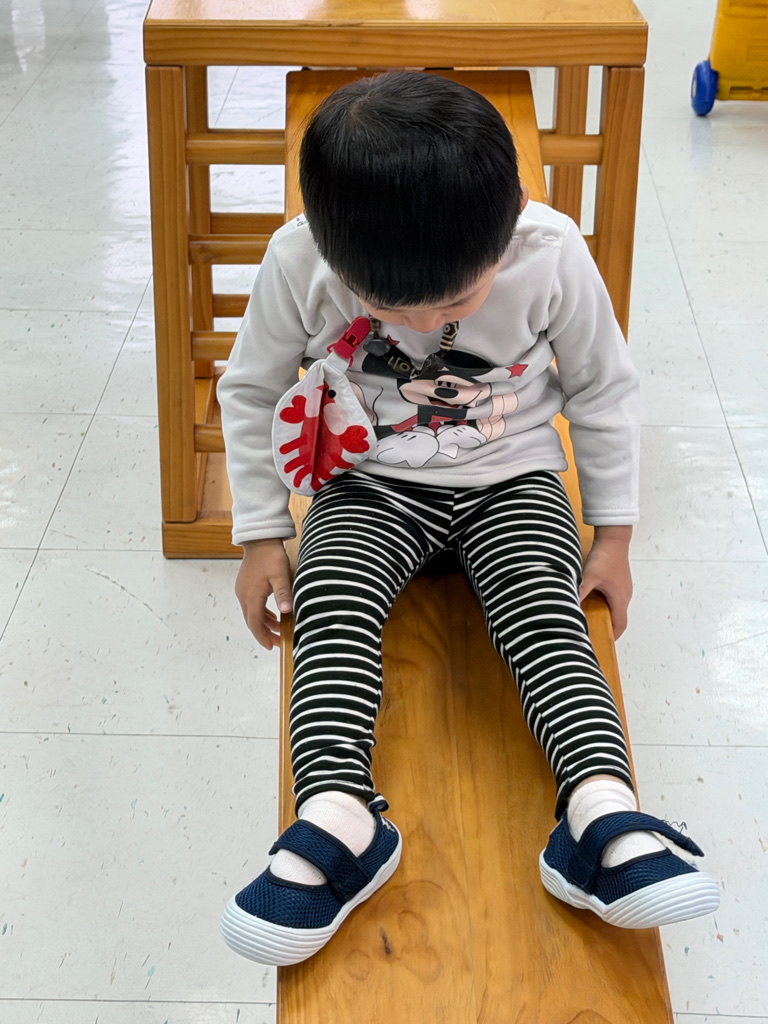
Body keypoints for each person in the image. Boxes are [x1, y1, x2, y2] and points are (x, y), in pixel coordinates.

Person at [217, 71, 719, 965]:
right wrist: (262, 534)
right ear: (328, 241)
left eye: (453, 305)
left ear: (511, 215)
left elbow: (604, 389)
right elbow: (251, 388)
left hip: (510, 476)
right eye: (385, 308)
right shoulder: (299, 259)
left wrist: (614, 536)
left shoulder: (549, 252)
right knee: (330, 603)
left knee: (545, 611)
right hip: (368, 484)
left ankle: (600, 810)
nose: (420, 322)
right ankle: (336, 813)